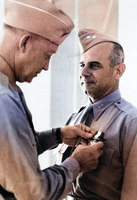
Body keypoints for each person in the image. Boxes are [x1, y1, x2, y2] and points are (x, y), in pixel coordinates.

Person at [0, 1, 104, 200]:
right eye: (47, 55)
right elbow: (33, 193)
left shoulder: (1, 82)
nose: (47, 67)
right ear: (25, 42)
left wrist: (57, 135)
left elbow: (11, 152)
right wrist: (76, 164)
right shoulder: (2, 98)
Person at [59, 29, 137, 200]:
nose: (84, 72)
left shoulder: (131, 122)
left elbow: (132, 194)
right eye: (82, 65)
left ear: (118, 71)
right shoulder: (74, 118)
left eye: (94, 65)